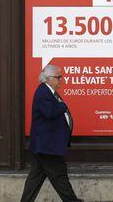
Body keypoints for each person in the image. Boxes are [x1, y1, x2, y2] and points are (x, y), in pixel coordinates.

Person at [21, 64, 83, 202]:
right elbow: (49, 112)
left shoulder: (48, 92)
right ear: (48, 78)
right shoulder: (43, 92)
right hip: (48, 146)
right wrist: (63, 105)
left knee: (35, 178)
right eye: (58, 77)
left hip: (45, 145)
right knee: (60, 177)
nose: (61, 79)